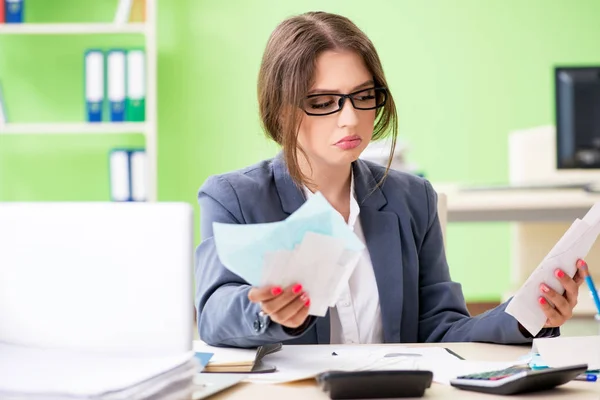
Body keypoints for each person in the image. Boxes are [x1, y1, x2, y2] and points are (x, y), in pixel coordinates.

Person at [194, 11, 585, 348]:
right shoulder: (234, 196)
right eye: (323, 102)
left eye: (363, 95)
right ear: (281, 108)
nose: (350, 118)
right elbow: (213, 315)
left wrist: (527, 316)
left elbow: (441, 328)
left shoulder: (411, 198)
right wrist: (263, 309)